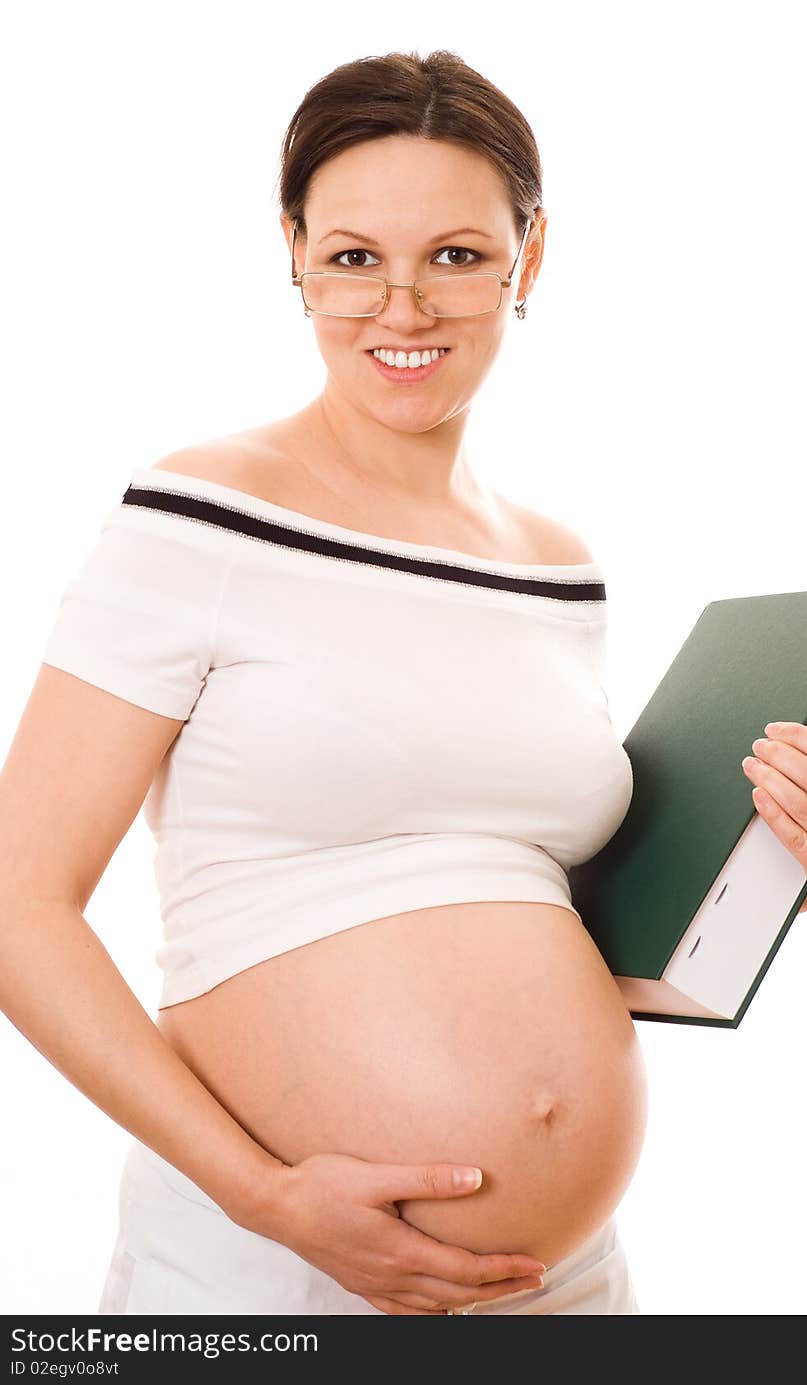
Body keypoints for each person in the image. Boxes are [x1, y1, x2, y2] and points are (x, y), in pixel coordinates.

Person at [0, 48, 649, 1315]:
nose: (401, 308)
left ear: (529, 259)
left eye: (456, 255)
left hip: (564, 1284)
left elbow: (542, 913)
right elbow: (17, 905)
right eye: (354, 256)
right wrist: (261, 1192)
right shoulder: (202, 517)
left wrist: (798, 868)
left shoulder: (559, 564)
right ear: (293, 249)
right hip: (275, 1265)